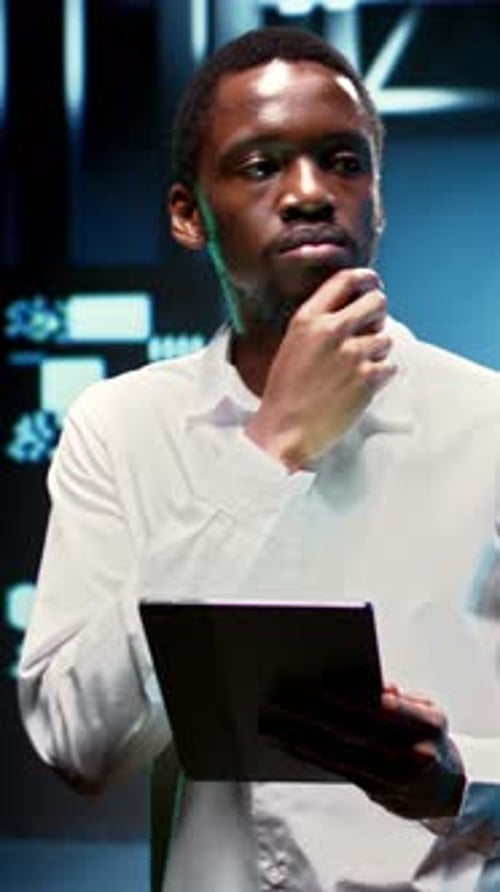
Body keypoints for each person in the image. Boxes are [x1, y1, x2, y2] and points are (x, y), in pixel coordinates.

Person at [18, 25, 500, 892]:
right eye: (259, 165)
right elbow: (75, 744)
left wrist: (460, 779)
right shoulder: (120, 427)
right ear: (185, 212)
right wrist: (268, 448)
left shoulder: (489, 424)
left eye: (343, 161)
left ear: (378, 200)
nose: (311, 193)